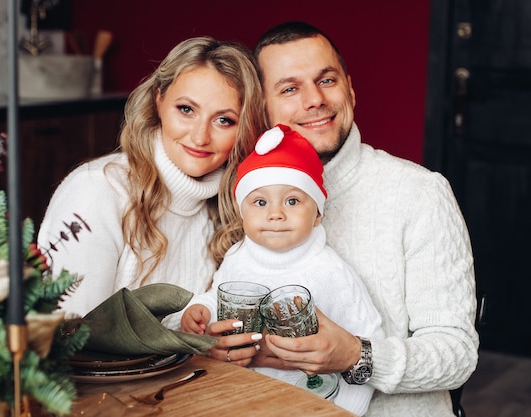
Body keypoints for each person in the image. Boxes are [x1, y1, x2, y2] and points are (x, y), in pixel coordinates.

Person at [233, 21, 479, 416]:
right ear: (262, 107)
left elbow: (457, 355)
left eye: (326, 80)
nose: (314, 99)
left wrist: (356, 356)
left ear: (349, 88)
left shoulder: (419, 193)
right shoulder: (247, 198)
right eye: (290, 88)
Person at [36, 36, 266, 331]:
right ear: (159, 101)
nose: (199, 137)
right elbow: (71, 338)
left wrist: (210, 342)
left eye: (224, 120)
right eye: (186, 110)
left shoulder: (231, 205)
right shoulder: (96, 190)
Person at [181, 124, 385, 416]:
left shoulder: (330, 272)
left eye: (292, 201)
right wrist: (200, 310)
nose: (275, 214)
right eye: (260, 202)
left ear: (316, 215)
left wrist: (346, 411)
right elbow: (220, 295)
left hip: (309, 406)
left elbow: (365, 343)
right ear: (242, 212)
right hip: (241, 400)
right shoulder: (238, 256)